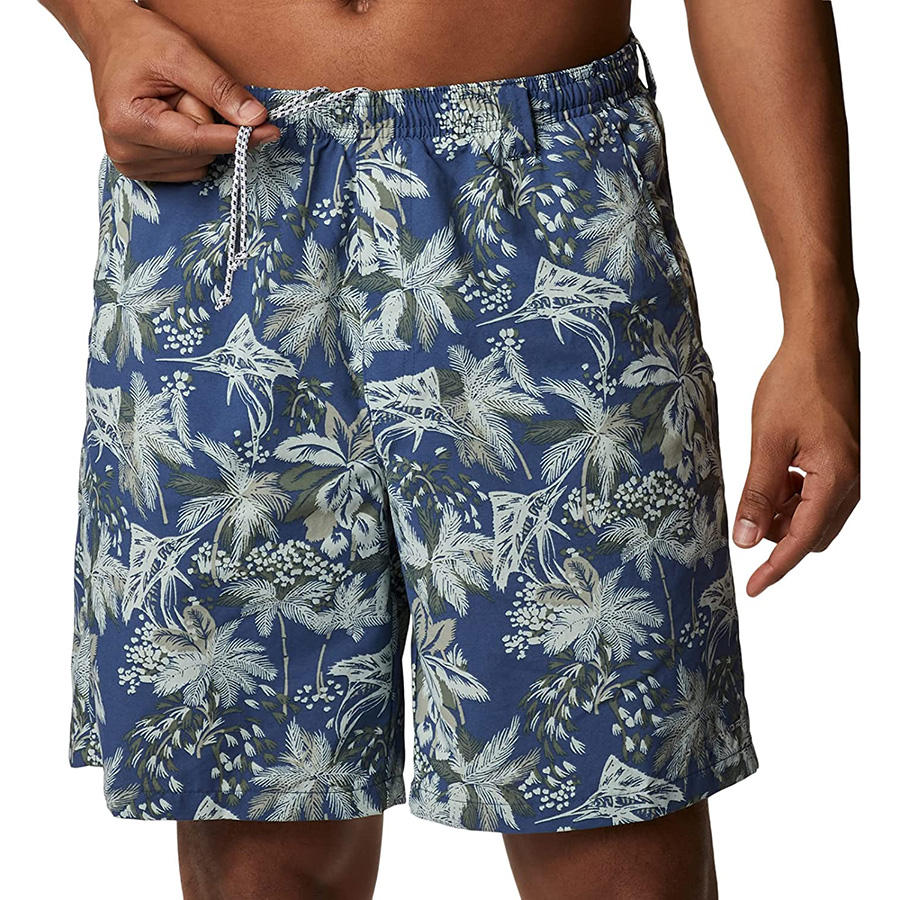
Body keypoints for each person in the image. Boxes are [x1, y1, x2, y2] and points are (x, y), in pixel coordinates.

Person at [42, 0, 860, 897]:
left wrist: (819, 324)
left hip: (544, 199)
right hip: (221, 193)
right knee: (261, 851)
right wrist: (104, 24)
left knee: (613, 826)